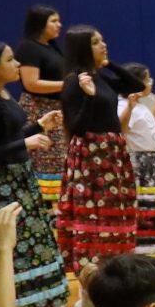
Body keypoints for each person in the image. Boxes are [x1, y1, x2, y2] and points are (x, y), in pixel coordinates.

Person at [0, 40, 72, 307]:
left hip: (21, 180)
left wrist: (38, 126)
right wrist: (25, 143)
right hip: (1, 187)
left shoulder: (2, 94)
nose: (16, 64)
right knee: (11, 250)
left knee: (39, 242)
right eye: (10, 60)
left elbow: (9, 136)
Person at [54, 27, 139, 268]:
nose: (103, 45)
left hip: (113, 151)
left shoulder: (100, 77)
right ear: (82, 48)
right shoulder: (74, 81)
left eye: (102, 40)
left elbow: (135, 84)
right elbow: (76, 126)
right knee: (94, 213)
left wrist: (108, 64)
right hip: (91, 154)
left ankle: (116, 262)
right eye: (95, 42)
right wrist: (89, 97)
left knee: (116, 210)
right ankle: (92, 270)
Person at [118, 64, 155, 260]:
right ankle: (143, 255)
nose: (150, 81)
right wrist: (129, 108)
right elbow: (122, 129)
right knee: (145, 209)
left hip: (154, 161)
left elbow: (149, 125)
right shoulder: (124, 106)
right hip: (141, 165)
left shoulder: (140, 105)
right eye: (146, 78)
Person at [16, 5, 69, 205]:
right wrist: (67, 84)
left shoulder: (53, 47)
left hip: (56, 107)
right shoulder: (28, 47)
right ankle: (44, 204)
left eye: (59, 20)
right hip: (38, 108)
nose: (59, 25)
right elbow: (31, 83)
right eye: (54, 21)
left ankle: (56, 203)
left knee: (57, 157)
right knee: (44, 157)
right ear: (40, 24)